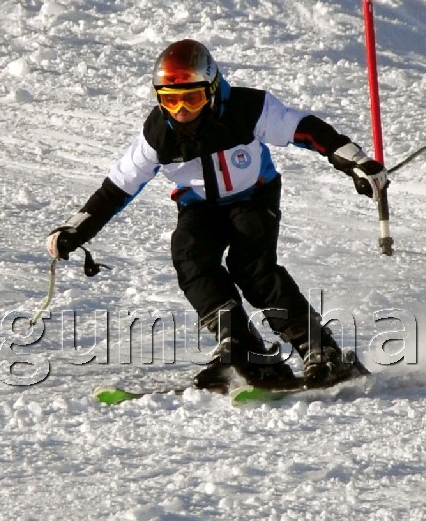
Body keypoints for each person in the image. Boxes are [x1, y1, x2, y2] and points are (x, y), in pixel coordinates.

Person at [46, 39, 386, 390]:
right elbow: (116, 189)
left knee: (252, 268)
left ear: (212, 90)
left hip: (253, 195)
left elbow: (305, 129)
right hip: (199, 205)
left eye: (191, 99)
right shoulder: (158, 135)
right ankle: (241, 345)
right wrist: (76, 230)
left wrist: (354, 161)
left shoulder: (247, 108)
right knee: (190, 254)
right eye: (169, 99)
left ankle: (321, 349)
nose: (181, 111)